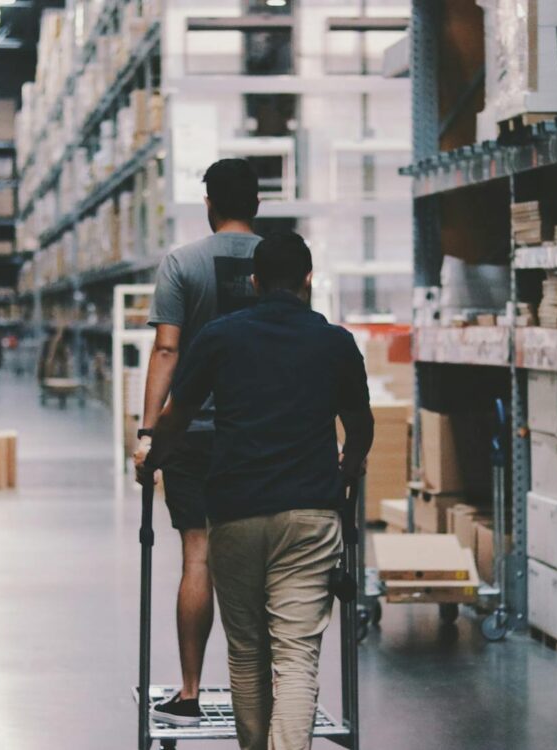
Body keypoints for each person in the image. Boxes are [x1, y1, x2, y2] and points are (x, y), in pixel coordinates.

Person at [138, 232, 375, 750]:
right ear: (308, 280)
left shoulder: (221, 337)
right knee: (296, 658)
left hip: (235, 511)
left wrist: (153, 457)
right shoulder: (335, 342)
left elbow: (176, 418)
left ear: (254, 282)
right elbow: (360, 428)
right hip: (311, 516)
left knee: (247, 653)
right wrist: (348, 466)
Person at [134, 158, 264, 725]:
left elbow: (167, 350)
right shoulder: (280, 261)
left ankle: (189, 694)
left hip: (192, 433)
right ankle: (260, 691)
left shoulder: (182, 263)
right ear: (257, 204)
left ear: (208, 203)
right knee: (260, 558)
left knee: (198, 554)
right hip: (259, 432)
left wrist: (147, 433)